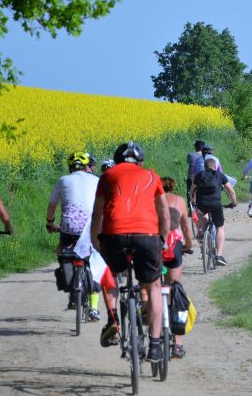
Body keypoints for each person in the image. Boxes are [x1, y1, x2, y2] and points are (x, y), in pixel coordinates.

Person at [90, 141, 171, 363]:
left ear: (117, 161)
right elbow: (164, 211)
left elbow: (97, 214)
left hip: (114, 234)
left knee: (113, 276)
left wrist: (96, 244)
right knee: (153, 286)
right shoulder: (151, 176)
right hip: (146, 235)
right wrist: (161, 238)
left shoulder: (107, 176)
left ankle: (113, 321)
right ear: (141, 162)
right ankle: (155, 346)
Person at [46, 152, 102, 320]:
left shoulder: (63, 180)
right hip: (92, 227)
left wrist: (50, 222)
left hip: (69, 227)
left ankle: (66, 269)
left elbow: (52, 205)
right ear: (87, 167)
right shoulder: (97, 180)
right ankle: (93, 307)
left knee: (62, 247)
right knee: (97, 260)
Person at [160, 176, 193, 358]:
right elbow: (186, 228)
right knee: (175, 289)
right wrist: (189, 245)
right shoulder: (179, 201)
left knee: (149, 285)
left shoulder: (151, 199)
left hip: (153, 247)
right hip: (173, 248)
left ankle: (145, 310)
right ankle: (178, 344)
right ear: (173, 186)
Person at [190, 158, 237, 267]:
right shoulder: (220, 175)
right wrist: (233, 203)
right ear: (215, 166)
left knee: (203, 213)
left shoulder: (199, 175)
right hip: (216, 204)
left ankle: (203, 232)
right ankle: (219, 255)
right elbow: (231, 191)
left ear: (205, 167)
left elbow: (192, 190)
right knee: (220, 227)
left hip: (202, 203)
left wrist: (192, 199)